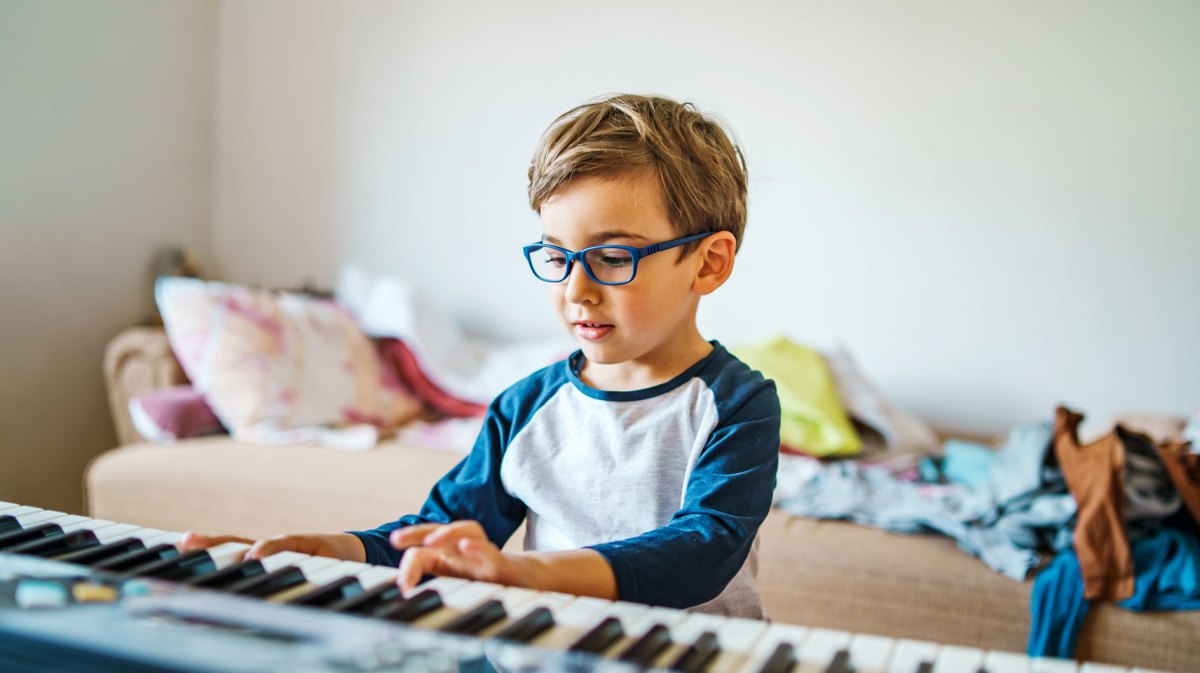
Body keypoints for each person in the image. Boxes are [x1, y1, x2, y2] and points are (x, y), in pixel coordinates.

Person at [183, 93, 781, 617]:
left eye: (613, 256)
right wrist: (333, 551)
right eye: (557, 257)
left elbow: (705, 550)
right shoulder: (527, 406)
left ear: (708, 262)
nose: (576, 289)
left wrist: (528, 575)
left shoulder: (737, 403)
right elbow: (438, 534)